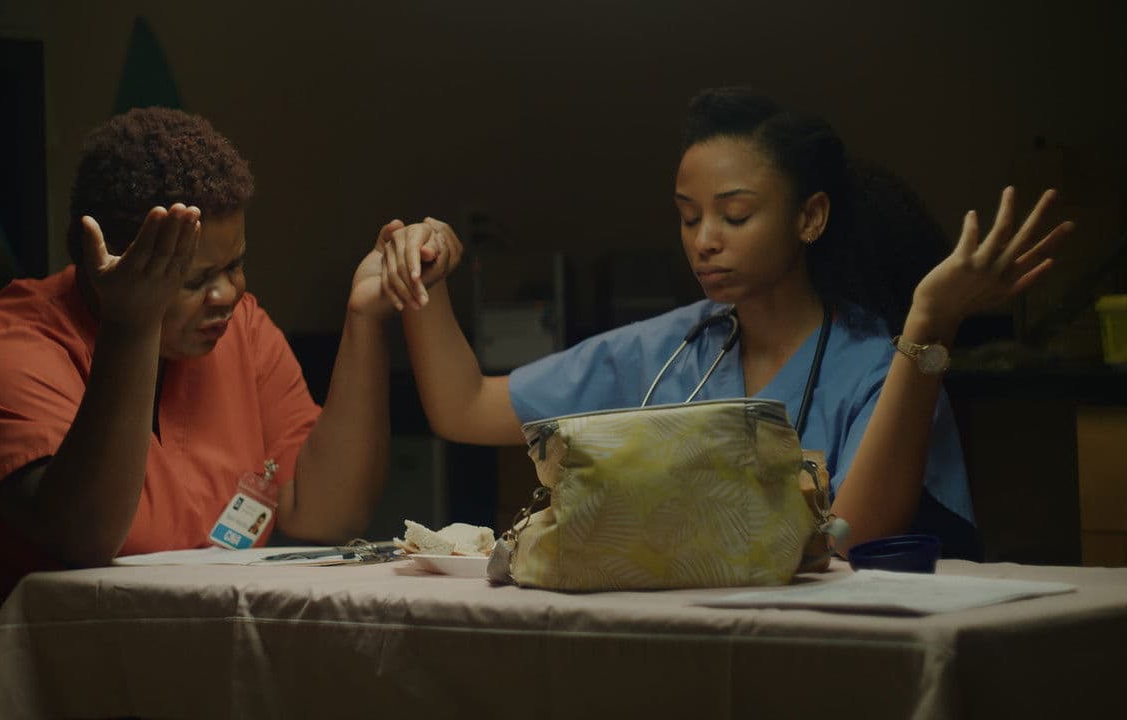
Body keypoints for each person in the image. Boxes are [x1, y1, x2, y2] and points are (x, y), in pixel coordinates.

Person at [0, 107, 441, 719]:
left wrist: (365, 318)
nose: (227, 295)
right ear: (101, 263)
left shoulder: (240, 334)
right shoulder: (5, 352)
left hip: (147, 681)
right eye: (192, 279)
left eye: (234, 265)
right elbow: (83, 536)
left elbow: (326, 514)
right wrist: (131, 323)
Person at [376, 87, 1073, 561]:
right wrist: (424, 276)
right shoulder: (669, 347)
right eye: (689, 217)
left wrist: (931, 323)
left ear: (811, 217)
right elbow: (464, 406)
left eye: (735, 215)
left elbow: (849, 535)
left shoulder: (877, 364)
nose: (704, 240)